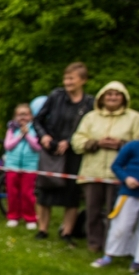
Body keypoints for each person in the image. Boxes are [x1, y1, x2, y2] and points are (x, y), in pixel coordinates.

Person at [71, 81, 139, 252]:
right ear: (102, 97)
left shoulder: (134, 118)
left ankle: (114, 246)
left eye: (117, 94)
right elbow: (77, 141)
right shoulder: (91, 117)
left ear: (124, 98)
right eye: (109, 94)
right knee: (93, 211)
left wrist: (122, 145)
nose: (113, 97)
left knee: (117, 213)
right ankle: (94, 243)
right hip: (93, 170)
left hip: (121, 174)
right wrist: (95, 143)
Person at [32, 62, 95, 243]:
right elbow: (38, 120)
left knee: (71, 194)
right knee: (44, 191)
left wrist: (69, 141)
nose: (67, 82)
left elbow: (90, 127)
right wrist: (44, 136)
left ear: (83, 80)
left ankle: (67, 232)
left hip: (74, 152)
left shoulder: (89, 103)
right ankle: (42, 229)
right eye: (65, 78)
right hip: (50, 149)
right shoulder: (55, 96)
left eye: (71, 78)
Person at [92, 120, 139, 269]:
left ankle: (138, 258)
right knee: (121, 226)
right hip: (129, 194)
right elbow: (117, 165)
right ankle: (109, 255)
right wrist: (127, 178)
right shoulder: (133, 146)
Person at [3, 103, 41, 229]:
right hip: (12, 165)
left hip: (30, 166)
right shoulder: (12, 129)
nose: (22, 117)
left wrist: (27, 135)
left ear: (31, 116)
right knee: (12, 192)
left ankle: (30, 218)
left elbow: (37, 147)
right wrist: (20, 135)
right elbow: (8, 146)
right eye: (20, 115)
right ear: (15, 116)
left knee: (27, 193)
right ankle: (13, 216)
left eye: (25, 114)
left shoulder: (36, 129)